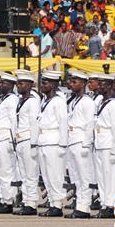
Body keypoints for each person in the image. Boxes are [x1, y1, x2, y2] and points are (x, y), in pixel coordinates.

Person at [65, 71, 95, 219]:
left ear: (83, 83)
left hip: (81, 140)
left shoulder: (87, 102)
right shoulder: (75, 100)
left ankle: (84, 206)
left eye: (74, 81)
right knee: (76, 176)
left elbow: (90, 124)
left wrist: (86, 143)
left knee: (84, 176)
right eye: (71, 81)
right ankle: (79, 204)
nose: (71, 84)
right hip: (72, 139)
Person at [36, 70, 67, 217]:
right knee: (47, 175)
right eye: (42, 82)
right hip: (44, 141)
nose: (43, 85)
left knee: (55, 174)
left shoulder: (59, 101)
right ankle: (52, 201)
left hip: (54, 141)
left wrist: (62, 144)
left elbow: (63, 123)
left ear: (54, 84)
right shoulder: (45, 100)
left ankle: (58, 204)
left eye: (46, 82)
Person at [92, 73, 115, 219]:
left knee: (110, 175)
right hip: (100, 142)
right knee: (102, 175)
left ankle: (111, 204)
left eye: (104, 84)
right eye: (100, 83)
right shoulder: (101, 102)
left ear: (110, 86)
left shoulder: (114, 104)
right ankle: (104, 202)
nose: (100, 86)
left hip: (109, 143)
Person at [0, 71, 19, 213]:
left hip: (5, 137)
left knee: (7, 171)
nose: (1, 84)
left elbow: (14, 121)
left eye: (4, 82)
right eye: (0, 82)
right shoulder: (1, 98)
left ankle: (8, 200)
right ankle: (1, 198)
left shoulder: (12, 99)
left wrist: (13, 140)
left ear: (11, 85)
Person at [13, 70, 39, 216]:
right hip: (21, 139)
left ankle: (31, 202)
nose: (18, 85)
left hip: (29, 140)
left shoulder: (33, 102)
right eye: (17, 83)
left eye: (21, 83)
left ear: (29, 85)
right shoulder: (21, 100)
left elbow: (34, 124)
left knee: (30, 173)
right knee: (23, 173)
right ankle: (26, 200)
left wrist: (34, 143)